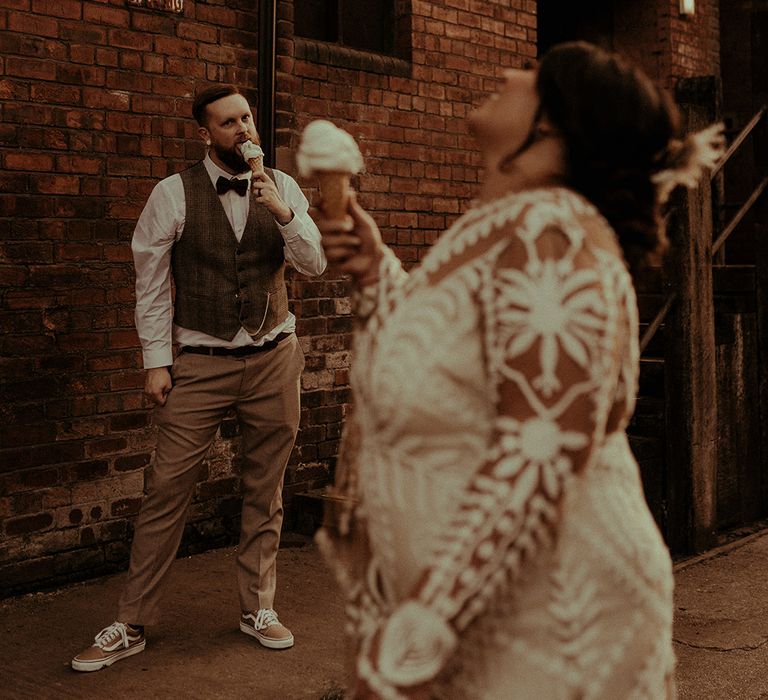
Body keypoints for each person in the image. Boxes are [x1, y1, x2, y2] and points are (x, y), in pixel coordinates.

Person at [313, 42, 724, 698]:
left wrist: (412, 644)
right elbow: (448, 373)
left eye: (532, 75)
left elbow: (539, 451)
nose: (508, 71)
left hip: (550, 622)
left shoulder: (549, 232)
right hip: (495, 616)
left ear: (555, 124)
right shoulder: (503, 228)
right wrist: (374, 271)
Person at [72, 85, 326, 671]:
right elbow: (152, 284)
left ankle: (257, 608)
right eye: (228, 123)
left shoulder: (282, 186)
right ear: (205, 134)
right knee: (165, 489)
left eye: (247, 118)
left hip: (273, 355)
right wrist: (156, 362)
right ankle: (130, 622)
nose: (243, 130)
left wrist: (282, 214)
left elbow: (315, 264)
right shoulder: (172, 194)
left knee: (266, 489)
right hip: (201, 361)